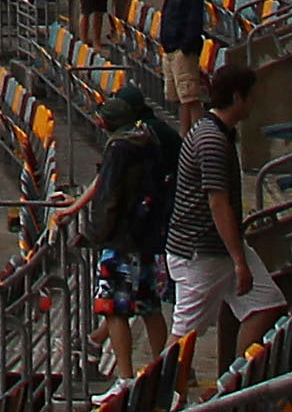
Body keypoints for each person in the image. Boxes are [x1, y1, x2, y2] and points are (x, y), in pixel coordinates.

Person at [165, 59, 266, 399]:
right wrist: (239, 260)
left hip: (220, 248)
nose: (255, 104)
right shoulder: (211, 140)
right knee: (184, 337)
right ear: (238, 97)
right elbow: (217, 202)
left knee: (266, 305)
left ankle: (235, 385)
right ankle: (165, 398)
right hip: (202, 252)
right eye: (252, 97)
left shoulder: (219, 133)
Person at [88, 92, 179, 409]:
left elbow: (109, 197)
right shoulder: (148, 140)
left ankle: (125, 380)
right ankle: (164, 374)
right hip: (149, 239)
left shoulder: (119, 149)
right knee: (151, 306)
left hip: (122, 243)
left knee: (115, 309)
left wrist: (96, 233)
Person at [153, 0, 211, 121]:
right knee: (180, 98)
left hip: (183, 51)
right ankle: (185, 137)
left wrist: (185, 46)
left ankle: (196, 136)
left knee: (190, 97)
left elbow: (194, 20)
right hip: (169, 50)